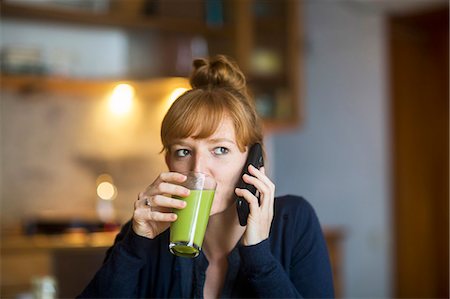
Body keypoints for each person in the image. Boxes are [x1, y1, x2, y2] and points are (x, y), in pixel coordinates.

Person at [78, 55, 334, 298]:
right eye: (183, 151)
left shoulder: (294, 221)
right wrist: (134, 248)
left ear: (252, 160)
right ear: (168, 162)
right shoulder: (143, 236)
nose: (198, 168)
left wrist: (259, 256)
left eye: (220, 149)